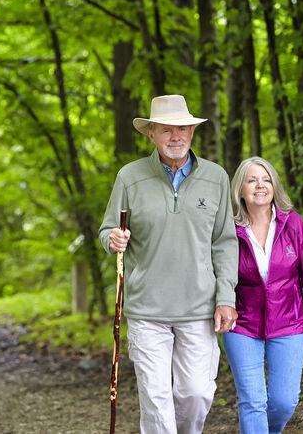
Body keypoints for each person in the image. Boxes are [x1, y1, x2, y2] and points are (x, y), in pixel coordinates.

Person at [98, 94, 239, 434]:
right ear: (152, 134)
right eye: (166, 130)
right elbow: (107, 231)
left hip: (199, 308)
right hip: (147, 309)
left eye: (183, 129)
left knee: (196, 394)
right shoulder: (130, 177)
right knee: (156, 398)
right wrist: (112, 239)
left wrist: (226, 298)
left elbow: (224, 242)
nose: (176, 136)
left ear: (192, 132)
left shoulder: (216, 177)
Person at [224, 156, 303, 434]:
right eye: (251, 180)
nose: (260, 185)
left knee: (284, 402)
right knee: (252, 401)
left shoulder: (294, 224)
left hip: (289, 322)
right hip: (242, 323)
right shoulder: (228, 229)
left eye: (266, 179)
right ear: (240, 189)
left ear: (274, 186)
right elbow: (214, 272)